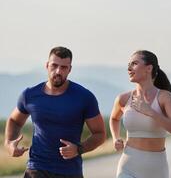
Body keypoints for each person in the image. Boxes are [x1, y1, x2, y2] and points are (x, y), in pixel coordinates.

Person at [4, 46, 106, 178]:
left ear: (70, 69)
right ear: (47, 65)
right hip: (36, 168)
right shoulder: (30, 95)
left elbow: (100, 134)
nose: (58, 71)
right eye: (54, 65)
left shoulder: (84, 97)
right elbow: (14, 120)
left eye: (64, 67)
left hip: (69, 172)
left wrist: (79, 149)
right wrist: (9, 143)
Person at [110, 50, 171, 178]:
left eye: (134, 64)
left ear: (148, 68)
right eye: (129, 64)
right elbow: (114, 118)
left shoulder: (164, 97)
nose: (129, 68)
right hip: (128, 166)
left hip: (156, 169)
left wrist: (151, 112)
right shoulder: (123, 99)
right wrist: (115, 138)